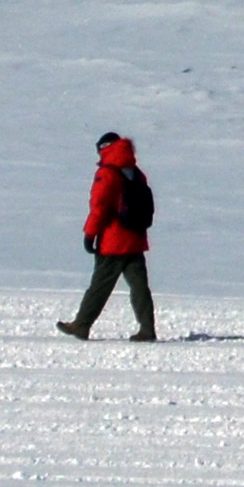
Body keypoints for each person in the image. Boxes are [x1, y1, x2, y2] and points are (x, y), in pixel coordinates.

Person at [56, 132, 157, 341]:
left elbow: (99, 206)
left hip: (113, 242)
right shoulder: (135, 171)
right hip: (135, 239)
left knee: (100, 286)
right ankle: (147, 329)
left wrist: (90, 233)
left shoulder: (108, 173)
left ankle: (81, 325)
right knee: (139, 287)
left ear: (105, 148)